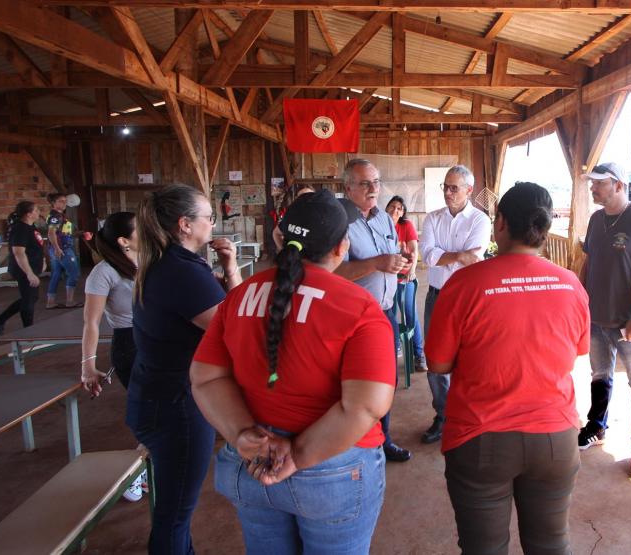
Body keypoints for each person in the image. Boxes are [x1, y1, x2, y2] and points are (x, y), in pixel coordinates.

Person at [191, 190, 395, 555]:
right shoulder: (359, 306)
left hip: (252, 461)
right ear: (341, 247)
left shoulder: (239, 296)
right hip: (331, 466)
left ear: (279, 238)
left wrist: (241, 435)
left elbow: (205, 378)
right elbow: (365, 407)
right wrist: (297, 456)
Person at [425, 182, 590, 555]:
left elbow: (437, 363)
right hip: (556, 437)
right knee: (550, 544)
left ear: (499, 223)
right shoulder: (570, 284)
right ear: (545, 228)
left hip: (481, 437)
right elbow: (577, 351)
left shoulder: (465, 283)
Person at [128, 185, 243, 554]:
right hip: (176, 405)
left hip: (157, 395)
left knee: (175, 507)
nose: (213, 223)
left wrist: (229, 268)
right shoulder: (181, 272)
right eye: (208, 217)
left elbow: (226, 311)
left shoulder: (168, 264)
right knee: (175, 513)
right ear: (185, 225)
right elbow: (236, 328)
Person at [575, 161, 631, 480]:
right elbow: (588, 263)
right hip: (598, 317)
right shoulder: (596, 220)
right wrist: (581, 301)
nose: (593, 188)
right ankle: (597, 427)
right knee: (599, 375)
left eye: (599, 183)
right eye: (592, 183)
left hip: (629, 323)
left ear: (618, 185)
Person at [334, 159, 413, 463]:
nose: (373, 189)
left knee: (386, 379)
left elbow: (391, 254)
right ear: (348, 187)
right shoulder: (338, 219)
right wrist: (377, 264)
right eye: (364, 183)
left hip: (386, 312)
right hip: (352, 317)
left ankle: (383, 440)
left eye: (376, 182)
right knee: (354, 382)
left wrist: (401, 260)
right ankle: (352, 445)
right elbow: (331, 272)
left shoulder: (383, 218)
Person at [418, 164, 491, 445]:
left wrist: (450, 255)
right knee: (435, 360)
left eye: (454, 188)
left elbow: (473, 256)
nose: (448, 192)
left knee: (469, 358)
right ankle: (443, 415)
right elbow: (428, 256)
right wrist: (459, 256)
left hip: (468, 299)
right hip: (437, 295)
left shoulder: (480, 221)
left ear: (469, 190)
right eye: (445, 187)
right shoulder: (432, 219)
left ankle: (466, 416)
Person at [80, 211, 145, 501]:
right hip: (129, 344)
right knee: (149, 411)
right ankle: (135, 474)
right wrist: (88, 366)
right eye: (139, 228)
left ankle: (146, 468)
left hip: (157, 338)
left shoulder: (149, 260)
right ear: (123, 240)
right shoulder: (103, 272)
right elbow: (91, 322)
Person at [0, 201, 44, 336]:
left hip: (32, 267)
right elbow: (19, 253)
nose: (38, 213)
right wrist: (29, 273)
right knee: (29, 300)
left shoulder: (31, 227)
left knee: (31, 298)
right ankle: (29, 332)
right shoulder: (20, 229)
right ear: (29, 214)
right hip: (23, 269)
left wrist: (42, 261)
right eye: (36, 210)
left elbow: (36, 246)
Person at [386, 195, 427, 371]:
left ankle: (419, 355)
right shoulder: (381, 224)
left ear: (403, 212)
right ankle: (393, 350)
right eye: (393, 206)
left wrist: (412, 270)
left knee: (410, 314)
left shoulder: (406, 225)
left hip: (404, 277)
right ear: (386, 208)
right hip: (387, 278)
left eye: (400, 208)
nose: (396, 210)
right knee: (389, 314)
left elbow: (414, 248)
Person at [45, 192, 82, 309]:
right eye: (61, 201)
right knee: (74, 273)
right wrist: (57, 248)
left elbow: (63, 233)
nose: (64, 203)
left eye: (65, 201)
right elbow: (51, 233)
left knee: (56, 274)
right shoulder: (56, 217)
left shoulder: (59, 216)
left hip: (58, 248)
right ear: (53, 203)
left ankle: (50, 302)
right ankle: (70, 301)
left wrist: (80, 234)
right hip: (63, 249)